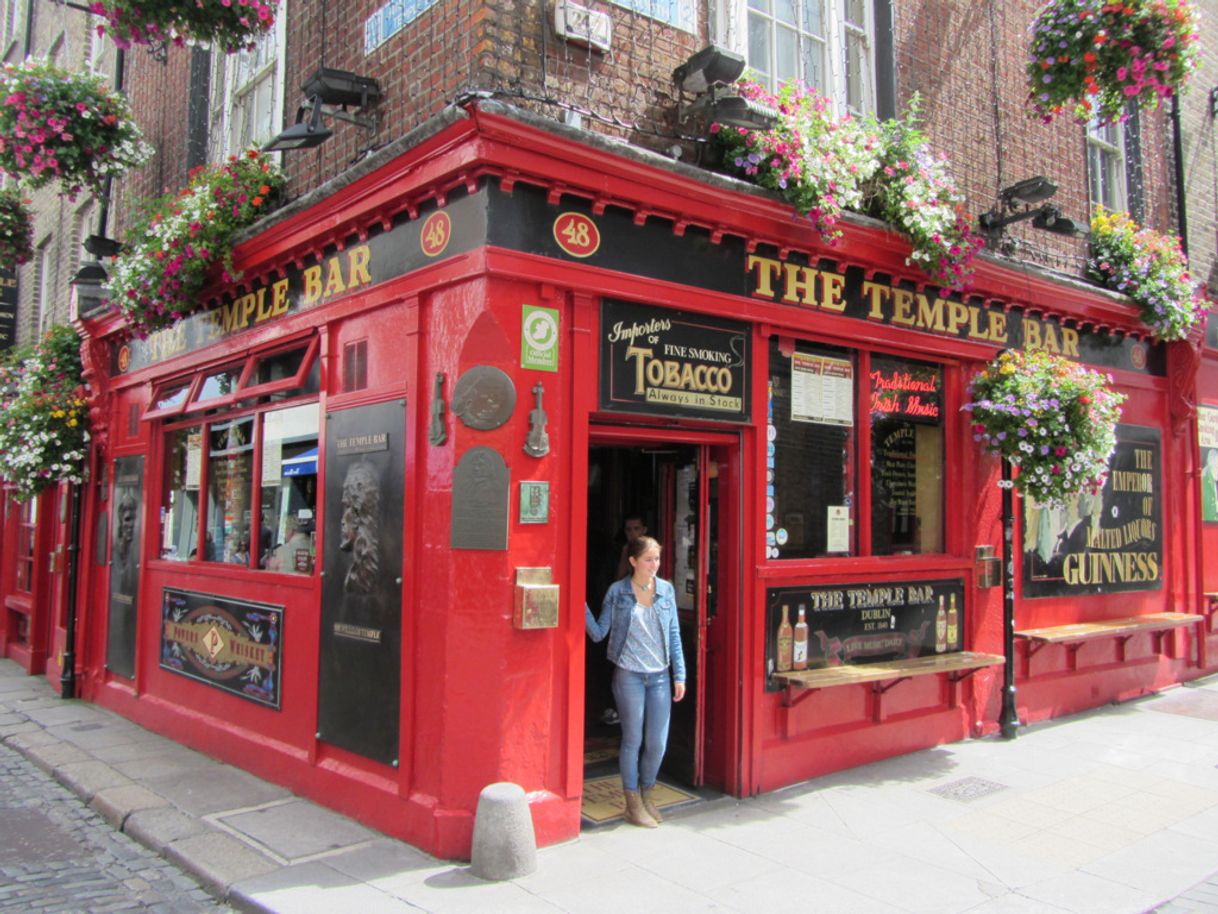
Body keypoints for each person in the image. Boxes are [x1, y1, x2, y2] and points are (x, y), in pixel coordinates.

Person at [585, 535, 685, 829]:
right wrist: (579, 603)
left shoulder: (666, 590)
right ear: (633, 561)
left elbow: (675, 636)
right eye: (648, 559)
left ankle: (648, 794)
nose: (654, 565)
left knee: (657, 743)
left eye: (657, 559)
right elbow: (599, 632)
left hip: (659, 677)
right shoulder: (618, 592)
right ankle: (632, 803)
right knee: (633, 740)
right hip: (628, 674)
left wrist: (679, 675)